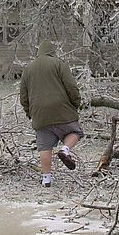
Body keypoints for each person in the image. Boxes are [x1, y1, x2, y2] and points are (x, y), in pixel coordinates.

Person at [19, 39, 83, 188]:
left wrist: (30, 113)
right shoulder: (59, 64)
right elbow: (71, 86)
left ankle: (46, 179)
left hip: (39, 114)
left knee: (44, 146)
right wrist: (75, 103)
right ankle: (65, 149)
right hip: (62, 110)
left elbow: (23, 96)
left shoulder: (28, 69)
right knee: (75, 132)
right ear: (53, 52)